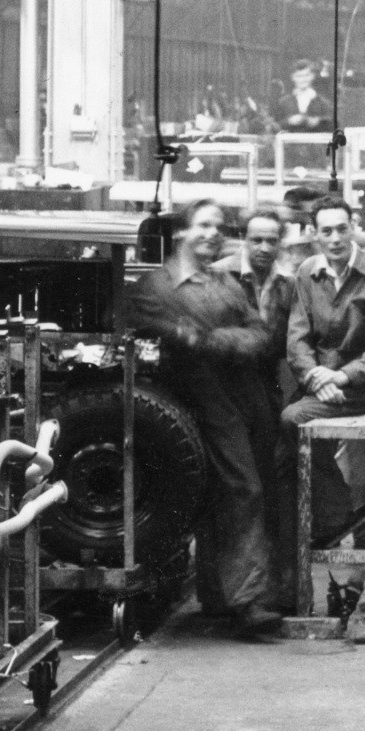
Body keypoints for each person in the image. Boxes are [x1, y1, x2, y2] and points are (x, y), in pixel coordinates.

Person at [132, 200, 285, 638]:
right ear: (182, 233)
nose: (213, 234)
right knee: (242, 490)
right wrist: (215, 342)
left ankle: (220, 597)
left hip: (244, 397)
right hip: (198, 398)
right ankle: (248, 602)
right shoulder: (157, 287)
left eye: (219, 228)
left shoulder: (225, 283)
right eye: (203, 225)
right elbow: (164, 335)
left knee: (245, 493)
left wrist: (214, 339)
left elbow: (261, 335)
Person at [282, 195, 365, 552]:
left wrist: (341, 377)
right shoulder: (308, 272)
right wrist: (314, 378)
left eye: (342, 229)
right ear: (314, 234)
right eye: (327, 231)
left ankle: (334, 516)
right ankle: (332, 515)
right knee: (283, 429)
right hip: (320, 388)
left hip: (363, 388)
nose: (336, 238)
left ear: (354, 228)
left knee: (292, 419)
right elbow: (298, 340)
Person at [230, 205, 298, 401]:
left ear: (280, 243)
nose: (265, 248)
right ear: (244, 239)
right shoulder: (221, 275)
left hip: (269, 383)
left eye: (271, 241)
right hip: (229, 382)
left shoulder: (289, 284)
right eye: (257, 240)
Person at [283, 63, 329, 132]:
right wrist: (289, 121)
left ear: (312, 76)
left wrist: (319, 121)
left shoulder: (323, 102)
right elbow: (275, 125)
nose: (303, 79)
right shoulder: (284, 102)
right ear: (292, 77)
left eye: (306, 75)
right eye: (299, 76)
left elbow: (331, 123)